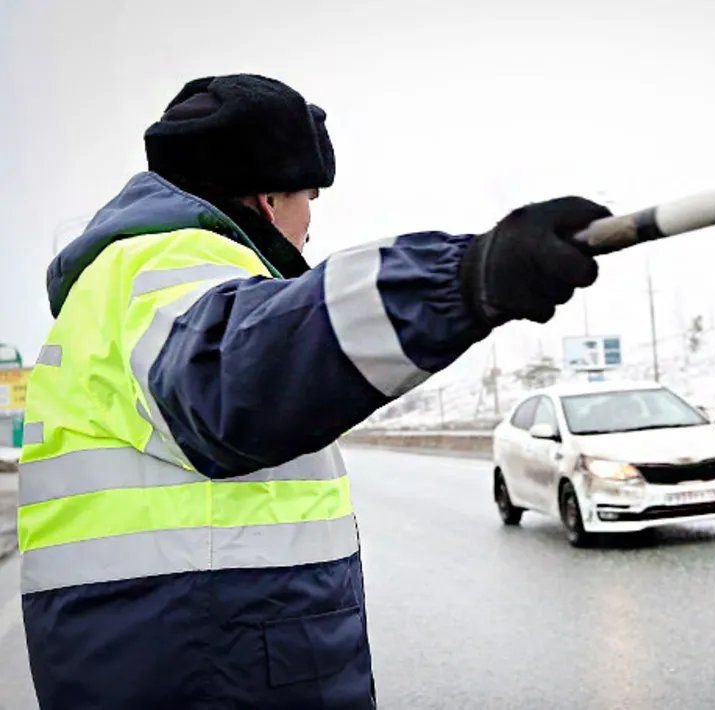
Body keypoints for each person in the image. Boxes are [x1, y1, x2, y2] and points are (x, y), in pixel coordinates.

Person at [17, 73, 608, 709]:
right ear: (269, 199)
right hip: (210, 666)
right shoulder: (162, 264)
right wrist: (462, 280)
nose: (308, 230)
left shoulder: (121, 286)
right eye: (309, 201)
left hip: (177, 652)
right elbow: (237, 372)